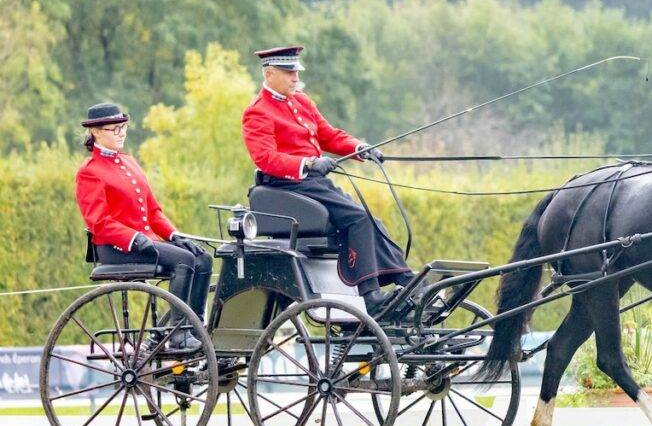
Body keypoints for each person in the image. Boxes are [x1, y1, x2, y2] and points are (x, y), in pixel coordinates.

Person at [241, 45, 413, 314]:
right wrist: (308, 163)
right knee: (358, 218)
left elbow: (328, 135)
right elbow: (265, 158)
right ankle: (371, 296)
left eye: (296, 72)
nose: (295, 78)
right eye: (288, 73)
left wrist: (359, 148)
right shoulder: (258, 111)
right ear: (269, 73)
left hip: (312, 183)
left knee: (370, 219)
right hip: (287, 183)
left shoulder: (302, 101)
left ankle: (404, 278)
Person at [75, 103, 212, 351]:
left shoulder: (129, 162)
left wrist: (174, 235)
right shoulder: (90, 171)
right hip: (116, 247)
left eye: (123, 127)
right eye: (114, 129)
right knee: (183, 260)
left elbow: (153, 211)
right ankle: (178, 333)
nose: (121, 133)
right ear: (95, 132)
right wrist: (133, 237)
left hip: (145, 240)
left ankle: (195, 326)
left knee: (203, 258)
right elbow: (99, 222)